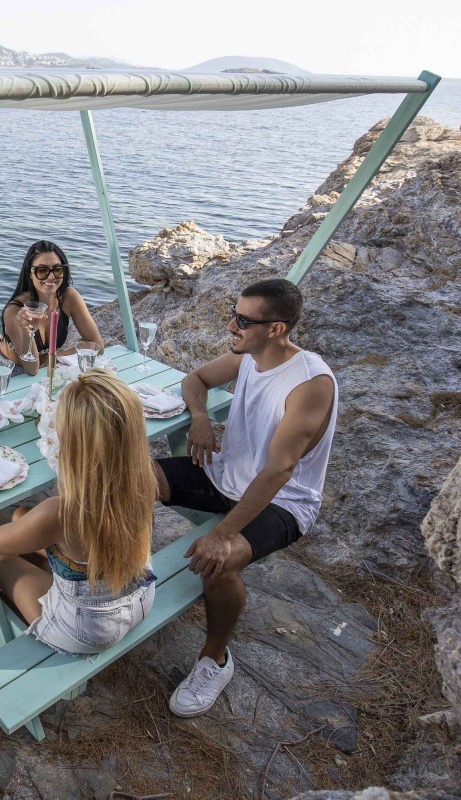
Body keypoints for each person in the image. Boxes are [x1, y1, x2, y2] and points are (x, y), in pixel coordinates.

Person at [156, 278, 337, 717]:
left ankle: (215, 659)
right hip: (227, 477)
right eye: (231, 313)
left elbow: (279, 470)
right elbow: (195, 378)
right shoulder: (250, 357)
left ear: (276, 328)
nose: (230, 325)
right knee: (132, 477)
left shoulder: (309, 383)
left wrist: (222, 533)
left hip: (284, 501)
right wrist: (200, 417)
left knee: (217, 562)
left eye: (242, 320)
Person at [0, 370, 157, 655]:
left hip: (88, 629)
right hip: (140, 598)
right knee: (21, 516)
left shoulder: (60, 513)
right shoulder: (144, 478)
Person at [0, 240, 104, 385]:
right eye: (42, 271)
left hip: (44, 372)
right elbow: (32, 368)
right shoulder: (15, 311)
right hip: (2, 376)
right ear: (30, 274)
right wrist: (26, 328)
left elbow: (97, 346)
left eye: (57, 269)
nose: (51, 277)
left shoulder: (70, 297)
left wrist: (54, 357)